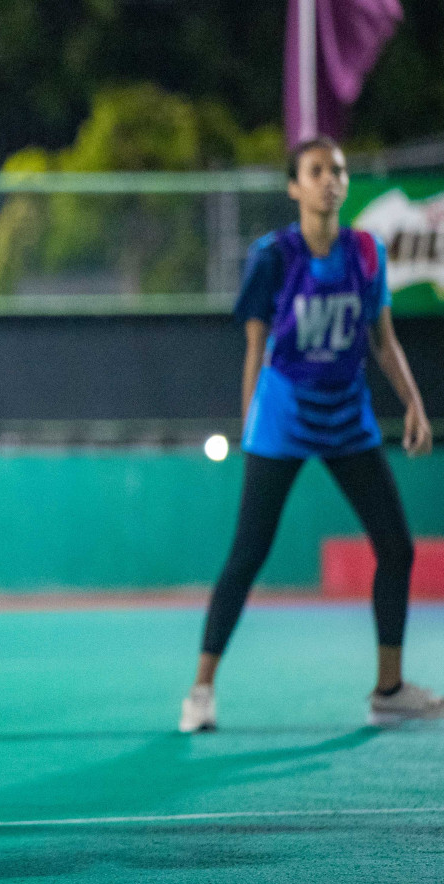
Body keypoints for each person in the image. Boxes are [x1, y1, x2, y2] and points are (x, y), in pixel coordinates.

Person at [179, 136, 436, 733]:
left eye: (338, 170)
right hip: (284, 417)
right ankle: (201, 689)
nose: (331, 180)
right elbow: (254, 345)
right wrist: (250, 422)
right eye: (316, 171)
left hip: (348, 417)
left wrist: (414, 406)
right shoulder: (273, 255)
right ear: (295, 186)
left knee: (396, 546)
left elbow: (383, 339)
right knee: (248, 554)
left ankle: (389, 689)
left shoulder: (367, 252)